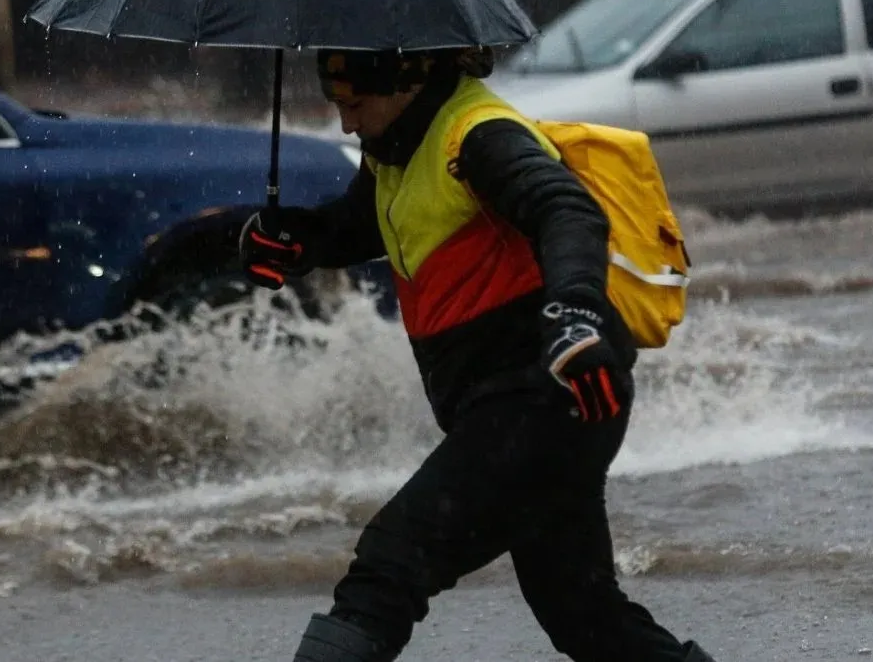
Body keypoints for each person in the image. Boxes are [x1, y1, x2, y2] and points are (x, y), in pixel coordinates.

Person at [239, 47, 717, 662]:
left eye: (354, 104)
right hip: (526, 407)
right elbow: (365, 222)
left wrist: (575, 314)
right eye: (337, 105)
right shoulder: (397, 148)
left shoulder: (479, 136)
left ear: (405, 78)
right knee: (582, 613)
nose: (346, 124)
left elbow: (567, 209)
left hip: (548, 392)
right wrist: (297, 239)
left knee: (391, 562)